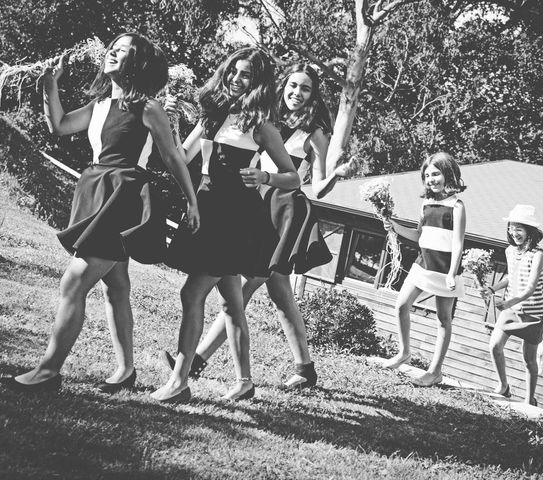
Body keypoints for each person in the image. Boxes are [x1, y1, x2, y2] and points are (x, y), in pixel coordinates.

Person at [0, 33, 200, 394]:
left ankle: (48, 372)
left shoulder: (148, 108)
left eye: (123, 51)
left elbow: (172, 156)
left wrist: (191, 200)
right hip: (95, 191)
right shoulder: (99, 106)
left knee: (74, 281)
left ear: (137, 65)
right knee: (116, 285)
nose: (113, 51)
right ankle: (125, 371)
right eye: (114, 47)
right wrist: (50, 86)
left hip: (122, 196)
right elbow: (58, 125)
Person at [163, 63, 354, 389]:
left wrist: (336, 174)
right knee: (279, 292)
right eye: (293, 85)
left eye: (305, 88)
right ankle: (305, 369)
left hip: (285, 213)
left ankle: (198, 360)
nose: (296, 93)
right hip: (254, 208)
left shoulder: (316, 133)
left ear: (314, 94)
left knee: (243, 286)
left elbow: (317, 186)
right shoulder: (264, 119)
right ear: (283, 87)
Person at [152, 47, 300, 403]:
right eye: (233, 70)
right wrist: (171, 123)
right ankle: (245, 382)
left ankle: (179, 382)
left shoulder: (262, 125)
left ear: (258, 82)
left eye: (245, 74)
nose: (236, 78)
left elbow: (292, 178)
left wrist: (264, 175)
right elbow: (180, 157)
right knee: (232, 302)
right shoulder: (212, 114)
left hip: (235, 216)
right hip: (206, 206)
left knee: (192, 293)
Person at [380, 152, 466, 387]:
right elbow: (418, 235)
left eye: (436, 174)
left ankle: (435, 371)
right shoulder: (425, 204)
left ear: (448, 173)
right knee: (401, 305)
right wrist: (395, 226)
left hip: (445, 268)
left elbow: (459, 243)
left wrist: (451, 273)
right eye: (427, 175)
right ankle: (404, 352)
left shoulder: (457, 206)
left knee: (443, 319)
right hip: (422, 264)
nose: (431, 179)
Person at [483, 204, 543, 405]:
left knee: (529, 360)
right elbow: (512, 276)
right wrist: (493, 289)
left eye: (519, 228)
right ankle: (503, 386)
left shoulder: (538, 254)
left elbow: (530, 287)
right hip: (511, 309)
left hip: (533, 313)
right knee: (494, 346)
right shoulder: (510, 251)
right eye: (512, 227)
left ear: (530, 231)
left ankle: (529, 399)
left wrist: (509, 301)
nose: (514, 232)